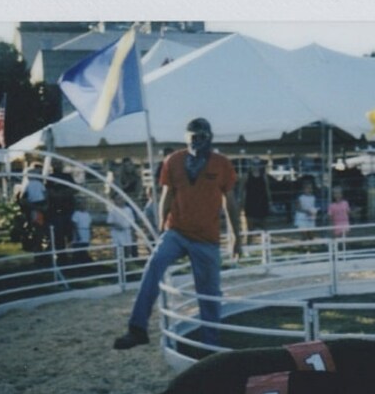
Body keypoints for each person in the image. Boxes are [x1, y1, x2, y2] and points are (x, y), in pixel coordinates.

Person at [113, 117, 243, 349]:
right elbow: (167, 194)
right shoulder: (173, 161)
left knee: (209, 293)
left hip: (207, 238)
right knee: (153, 267)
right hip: (177, 231)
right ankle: (137, 328)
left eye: (202, 136)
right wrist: (162, 225)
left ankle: (210, 345)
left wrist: (236, 237)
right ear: (186, 137)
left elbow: (230, 202)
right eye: (193, 137)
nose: (198, 142)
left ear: (210, 137)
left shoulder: (221, 163)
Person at [242, 159, 271, 244]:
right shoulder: (246, 176)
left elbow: (267, 190)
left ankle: (266, 247)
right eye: (254, 164)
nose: (256, 166)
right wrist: (241, 205)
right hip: (250, 204)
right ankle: (248, 247)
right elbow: (242, 191)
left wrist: (270, 202)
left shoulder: (264, 176)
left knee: (265, 228)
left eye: (257, 164)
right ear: (250, 165)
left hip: (262, 204)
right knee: (249, 229)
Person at [106, 195, 139, 259]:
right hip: (117, 233)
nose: (120, 200)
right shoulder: (113, 210)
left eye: (121, 199)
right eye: (118, 199)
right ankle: (117, 264)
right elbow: (109, 222)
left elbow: (132, 222)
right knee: (118, 250)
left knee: (128, 249)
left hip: (127, 232)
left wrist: (132, 233)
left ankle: (128, 262)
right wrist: (117, 225)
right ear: (115, 201)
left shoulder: (128, 209)